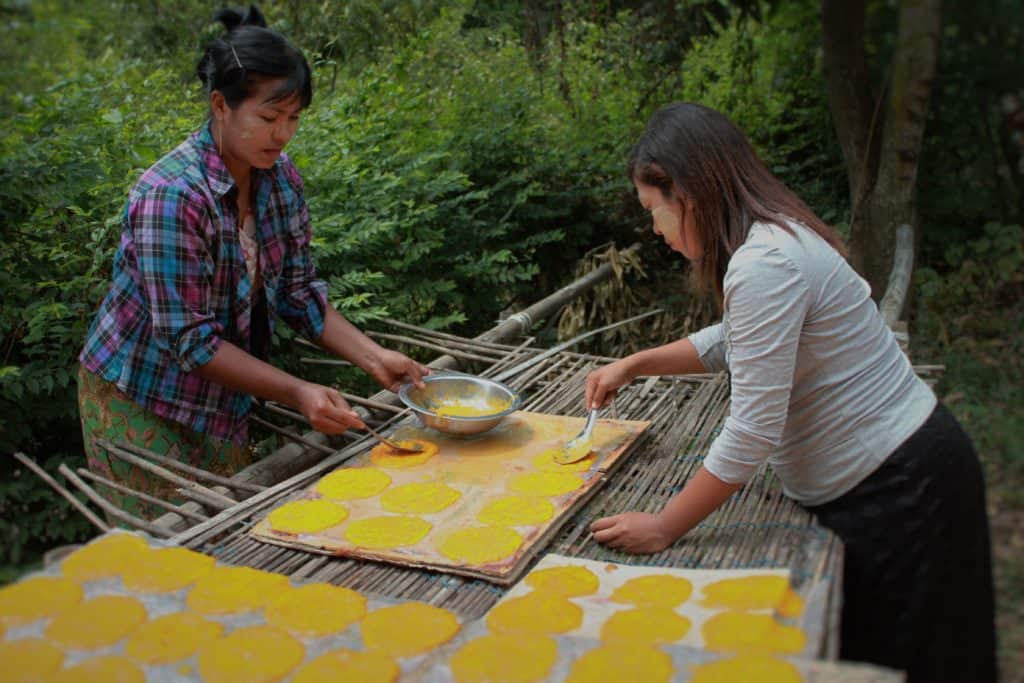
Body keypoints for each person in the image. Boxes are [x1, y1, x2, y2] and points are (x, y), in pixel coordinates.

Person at [585, 102, 995, 682]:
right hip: (903, 477)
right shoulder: (773, 239)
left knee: (917, 664)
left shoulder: (764, 262)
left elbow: (753, 428)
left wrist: (666, 525)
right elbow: (738, 340)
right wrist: (636, 363)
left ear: (690, 193)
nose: (655, 230)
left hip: (903, 490)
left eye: (654, 210)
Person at [77, 5, 427, 517]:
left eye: (292, 119)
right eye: (268, 117)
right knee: (162, 550)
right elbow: (188, 339)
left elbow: (298, 292)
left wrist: (375, 359)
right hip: (142, 393)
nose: (282, 135)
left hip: (221, 396)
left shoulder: (279, 179)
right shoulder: (171, 196)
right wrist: (299, 391)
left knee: (223, 534)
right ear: (221, 105)